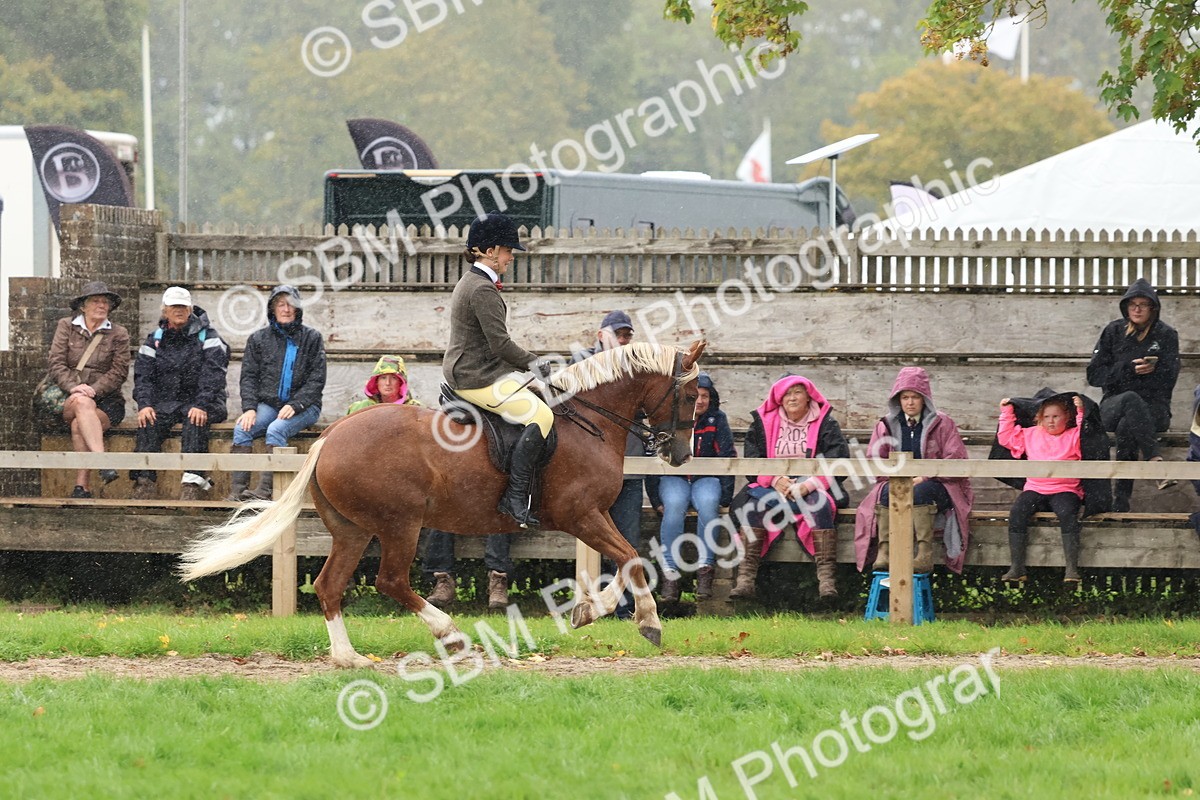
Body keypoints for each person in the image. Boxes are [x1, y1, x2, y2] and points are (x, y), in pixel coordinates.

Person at [347, 355, 517, 609]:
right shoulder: (359, 410)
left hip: (444, 487)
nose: (388, 383)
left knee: (485, 509)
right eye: (383, 378)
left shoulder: (417, 410)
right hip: (384, 485)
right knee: (440, 512)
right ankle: (441, 579)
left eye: (393, 379)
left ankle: (495, 580)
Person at [443, 212, 553, 528]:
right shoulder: (481, 289)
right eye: (508, 251)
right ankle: (515, 497)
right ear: (490, 251)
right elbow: (501, 345)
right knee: (542, 415)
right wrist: (536, 364)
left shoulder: (473, 281)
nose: (511, 258)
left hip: (475, 369)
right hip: (475, 377)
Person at [729, 375, 850, 600]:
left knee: (820, 505)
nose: (792, 398)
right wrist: (775, 480)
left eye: (797, 392)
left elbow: (838, 459)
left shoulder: (826, 423)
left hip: (812, 485)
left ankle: (826, 581)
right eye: (786, 393)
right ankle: (745, 580)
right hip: (773, 484)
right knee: (753, 508)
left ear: (808, 396)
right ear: (779, 398)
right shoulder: (762, 422)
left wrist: (808, 485)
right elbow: (752, 459)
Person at [854, 367, 974, 576]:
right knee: (884, 493)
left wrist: (924, 476)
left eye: (915, 397)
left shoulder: (943, 423)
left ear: (924, 399)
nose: (910, 402)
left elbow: (955, 460)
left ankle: (924, 553)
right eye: (905, 397)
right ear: (898, 399)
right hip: (897, 482)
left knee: (920, 492)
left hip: (938, 485)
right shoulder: (886, 425)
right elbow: (874, 460)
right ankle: (885, 551)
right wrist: (897, 477)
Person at [574, 310, 648, 614]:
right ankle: (595, 602)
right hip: (587, 472)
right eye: (619, 334)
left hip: (627, 468)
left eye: (628, 335)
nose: (624, 340)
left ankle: (625, 607)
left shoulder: (638, 370)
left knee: (626, 537)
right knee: (598, 537)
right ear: (602, 335)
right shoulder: (580, 362)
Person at [1086, 279, 1180, 511]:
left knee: (1129, 425)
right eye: (1132, 304)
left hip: (1153, 409)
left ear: (1153, 308)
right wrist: (1127, 368)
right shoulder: (1113, 331)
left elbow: (1171, 380)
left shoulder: (1166, 334)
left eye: (1143, 304)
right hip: (1113, 406)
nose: (1137, 309)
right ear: (1125, 307)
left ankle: (1121, 503)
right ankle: (1155, 462)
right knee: (1128, 399)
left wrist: (1154, 371)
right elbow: (1094, 376)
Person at [228, 285, 326, 501]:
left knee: (275, 431)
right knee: (242, 429)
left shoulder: (312, 338)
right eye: (281, 304)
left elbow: (317, 380)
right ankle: (237, 491)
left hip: (305, 406)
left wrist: (296, 404)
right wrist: (250, 409)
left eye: (291, 304)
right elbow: (249, 377)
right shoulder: (258, 339)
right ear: (272, 309)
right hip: (269, 404)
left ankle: (265, 491)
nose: (286, 308)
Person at [131, 286, 229, 501]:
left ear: (190, 308)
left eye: (183, 306)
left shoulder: (209, 337)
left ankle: (192, 484)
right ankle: (144, 483)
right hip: (168, 402)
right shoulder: (154, 339)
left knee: (195, 419)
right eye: (174, 306)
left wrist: (202, 403)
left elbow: (214, 375)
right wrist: (145, 404)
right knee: (148, 421)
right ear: (164, 310)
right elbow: (143, 376)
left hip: (206, 402)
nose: (178, 310)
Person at [655, 372, 735, 602]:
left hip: (705, 477)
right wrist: (655, 497)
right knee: (674, 506)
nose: (700, 401)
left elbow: (727, 456)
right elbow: (656, 455)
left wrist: (726, 496)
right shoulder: (669, 420)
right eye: (696, 395)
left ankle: (705, 570)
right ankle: (670, 575)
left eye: (705, 396)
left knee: (709, 506)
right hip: (674, 477)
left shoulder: (717, 419)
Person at [46, 281, 130, 498]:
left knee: (79, 424)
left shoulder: (119, 334)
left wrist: (93, 390)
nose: (101, 305)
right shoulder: (66, 326)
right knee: (83, 404)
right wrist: (76, 388)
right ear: (83, 306)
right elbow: (56, 363)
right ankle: (102, 461)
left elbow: (119, 372)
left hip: (107, 401)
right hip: (70, 397)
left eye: (105, 302)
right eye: (96, 301)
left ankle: (81, 487)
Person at [997, 393, 1087, 583]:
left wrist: (1081, 411)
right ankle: (1017, 568)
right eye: (1046, 417)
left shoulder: (1073, 436)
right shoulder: (1030, 434)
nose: (1051, 421)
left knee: (1068, 513)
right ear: (1039, 418)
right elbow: (1006, 438)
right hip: (1036, 488)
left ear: (1067, 417)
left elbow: (1086, 436)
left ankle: (1071, 569)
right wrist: (1007, 411)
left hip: (1066, 488)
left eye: (1056, 416)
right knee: (1017, 513)